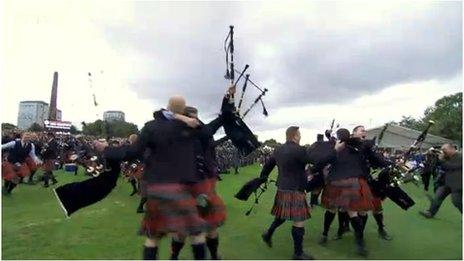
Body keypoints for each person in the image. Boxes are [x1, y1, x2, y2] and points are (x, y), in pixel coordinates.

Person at [259, 126, 332, 260]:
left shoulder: (278, 150)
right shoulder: (300, 150)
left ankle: (268, 234)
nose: (300, 136)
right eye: (299, 134)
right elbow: (316, 161)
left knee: (281, 216)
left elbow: (267, 166)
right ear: (295, 136)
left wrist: (262, 178)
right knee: (299, 220)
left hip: (282, 188)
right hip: (295, 189)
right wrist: (332, 153)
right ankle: (298, 254)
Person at [319, 126, 388, 256]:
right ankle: (326, 234)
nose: (364, 132)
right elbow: (325, 158)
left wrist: (388, 164)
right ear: (353, 133)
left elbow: (376, 160)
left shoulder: (364, 146)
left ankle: (360, 243)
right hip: (338, 181)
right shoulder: (337, 144)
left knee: (356, 212)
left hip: (355, 181)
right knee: (334, 210)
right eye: (361, 130)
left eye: (364, 131)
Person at [170, 105, 227, 260]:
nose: (195, 120)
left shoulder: (202, 133)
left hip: (203, 185)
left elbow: (213, 131)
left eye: (196, 117)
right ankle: (174, 256)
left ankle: (214, 255)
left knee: (210, 225)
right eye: (192, 117)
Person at [420, 143, 462, 218]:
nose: (443, 151)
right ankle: (430, 212)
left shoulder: (460, 156)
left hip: (457, 182)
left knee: (456, 201)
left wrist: (442, 160)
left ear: (452, 148)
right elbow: (438, 166)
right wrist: (435, 157)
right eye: (442, 150)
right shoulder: (446, 157)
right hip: (446, 182)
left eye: (444, 149)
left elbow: (450, 167)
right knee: (438, 197)